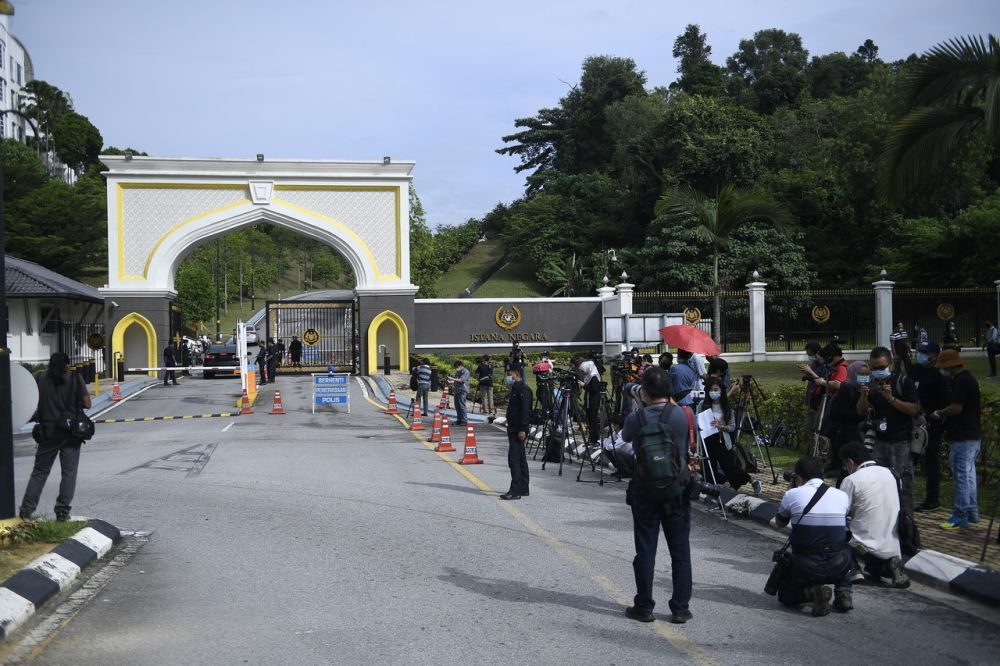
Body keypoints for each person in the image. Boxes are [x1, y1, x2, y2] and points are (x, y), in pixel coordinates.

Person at [620, 367, 694, 624]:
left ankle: (644, 606)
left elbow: (624, 438)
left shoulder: (636, 418)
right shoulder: (682, 415)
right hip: (677, 491)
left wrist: (640, 406)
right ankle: (680, 608)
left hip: (645, 491)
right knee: (680, 551)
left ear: (644, 391)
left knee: (645, 549)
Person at [770, 456, 854, 616]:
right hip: (839, 565)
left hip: (806, 566)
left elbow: (779, 523)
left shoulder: (792, 494)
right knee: (844, 546)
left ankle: (813, 592)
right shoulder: (842, 496)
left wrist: (792, 491)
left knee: (786, 597)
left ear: (798, 478)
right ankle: (844, 593)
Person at [19, 352, 92, 521]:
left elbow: (30, 400)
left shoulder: (39, 378)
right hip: (70, 433)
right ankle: (62, 512)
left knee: (39, 472)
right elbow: (87, 403)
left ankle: (26, 510)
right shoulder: (75, 378)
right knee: (68, 473)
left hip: (48, 433)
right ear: (67, 364)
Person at [856, 347, 919, 520]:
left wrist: (891, 399)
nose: (878, 371)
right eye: (874, 368)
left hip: (900, 441)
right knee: (878, 485)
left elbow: (913, 409)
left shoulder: (903, 382)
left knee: (903, 485)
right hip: (879, 441)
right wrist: (863, 396)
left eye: (881, 367)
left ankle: (906, 523)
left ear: (890, 365)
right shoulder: (872, 383)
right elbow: (861, 411)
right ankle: (883, 521)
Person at [839, 442, 909, 588]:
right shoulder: (892, 474)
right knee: (873, 567)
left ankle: (853, 569)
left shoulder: (851, 480)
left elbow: (839, 512)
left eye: (845, 465)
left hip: (863, 547)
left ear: (850, 462)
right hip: (893, 546)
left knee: (836, 530)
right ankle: (890, 565)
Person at [930, 349, 982, 530]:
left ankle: (960, 515)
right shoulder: (967, 379)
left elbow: (956, 408)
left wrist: (939, 413)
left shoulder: (960, 381)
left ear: (949, 366)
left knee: (961, 477)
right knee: (968, 475)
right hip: (971, 436)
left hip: (962, 437)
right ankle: (972, 511)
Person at [908, 341, 949, 511]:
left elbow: (944, 401)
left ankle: (933, 499)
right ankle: (905, 496)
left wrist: (932, 415)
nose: (921, 355)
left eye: (925, 352)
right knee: (909, 460)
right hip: (912, 421)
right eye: (920, 351)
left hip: (931, 424)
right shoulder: (915, 369)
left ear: (935, 356)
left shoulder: (940, 374)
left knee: (931, 461)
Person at [701, 376, 759, 495]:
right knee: (709, 467)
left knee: (729, 467)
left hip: (722, 440)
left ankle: (751, 480)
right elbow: (697, 420)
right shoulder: (703, 405)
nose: (713, 393)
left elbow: (732, 427)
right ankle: (712, 491)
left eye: (716, 390)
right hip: (707, 440)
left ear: (721, 391)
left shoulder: (726, 408)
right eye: (711, 390)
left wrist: (721, 426)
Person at [821, 361, 868, 479]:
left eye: (867, 374)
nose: (864, 377)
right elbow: (836, 412)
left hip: (856, 431)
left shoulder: (863, 390)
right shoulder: (847, 388)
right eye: (861, 374)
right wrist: (858, 414)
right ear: (853, 373)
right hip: (844, 432)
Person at [501, 365, 532, 500]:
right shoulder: (515, 388)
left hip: (518, 429)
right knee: (520, 458)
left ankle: (515, 491)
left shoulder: (523, 389)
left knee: (513, 459)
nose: (508, 377)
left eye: (510, 374)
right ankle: (523, 488)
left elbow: (526, 411)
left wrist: (522, 429)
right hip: (513, 427)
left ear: (517, 374)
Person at [572, 357, 603, 445]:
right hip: (590, 399)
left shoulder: (594, 377)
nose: (584, 372)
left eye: (584, 370)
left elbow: (594, 389)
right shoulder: (589, 376)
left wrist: (584, 385)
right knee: (589, 418)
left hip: (594, 400)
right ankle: (592, 437)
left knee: (593, 418)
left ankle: (595, 437)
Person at [450, 360, 471, 426]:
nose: (456, 368)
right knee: (457, 406)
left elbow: (461, 380)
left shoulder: (466, 372)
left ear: (461, 365)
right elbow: (456, 380)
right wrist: (451, 381)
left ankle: (464, 420)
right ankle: (459, 420)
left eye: (457, 367)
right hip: (457, 390)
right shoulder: (458, 372)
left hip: (462, 390)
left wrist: (452, 379)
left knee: (462, 405)